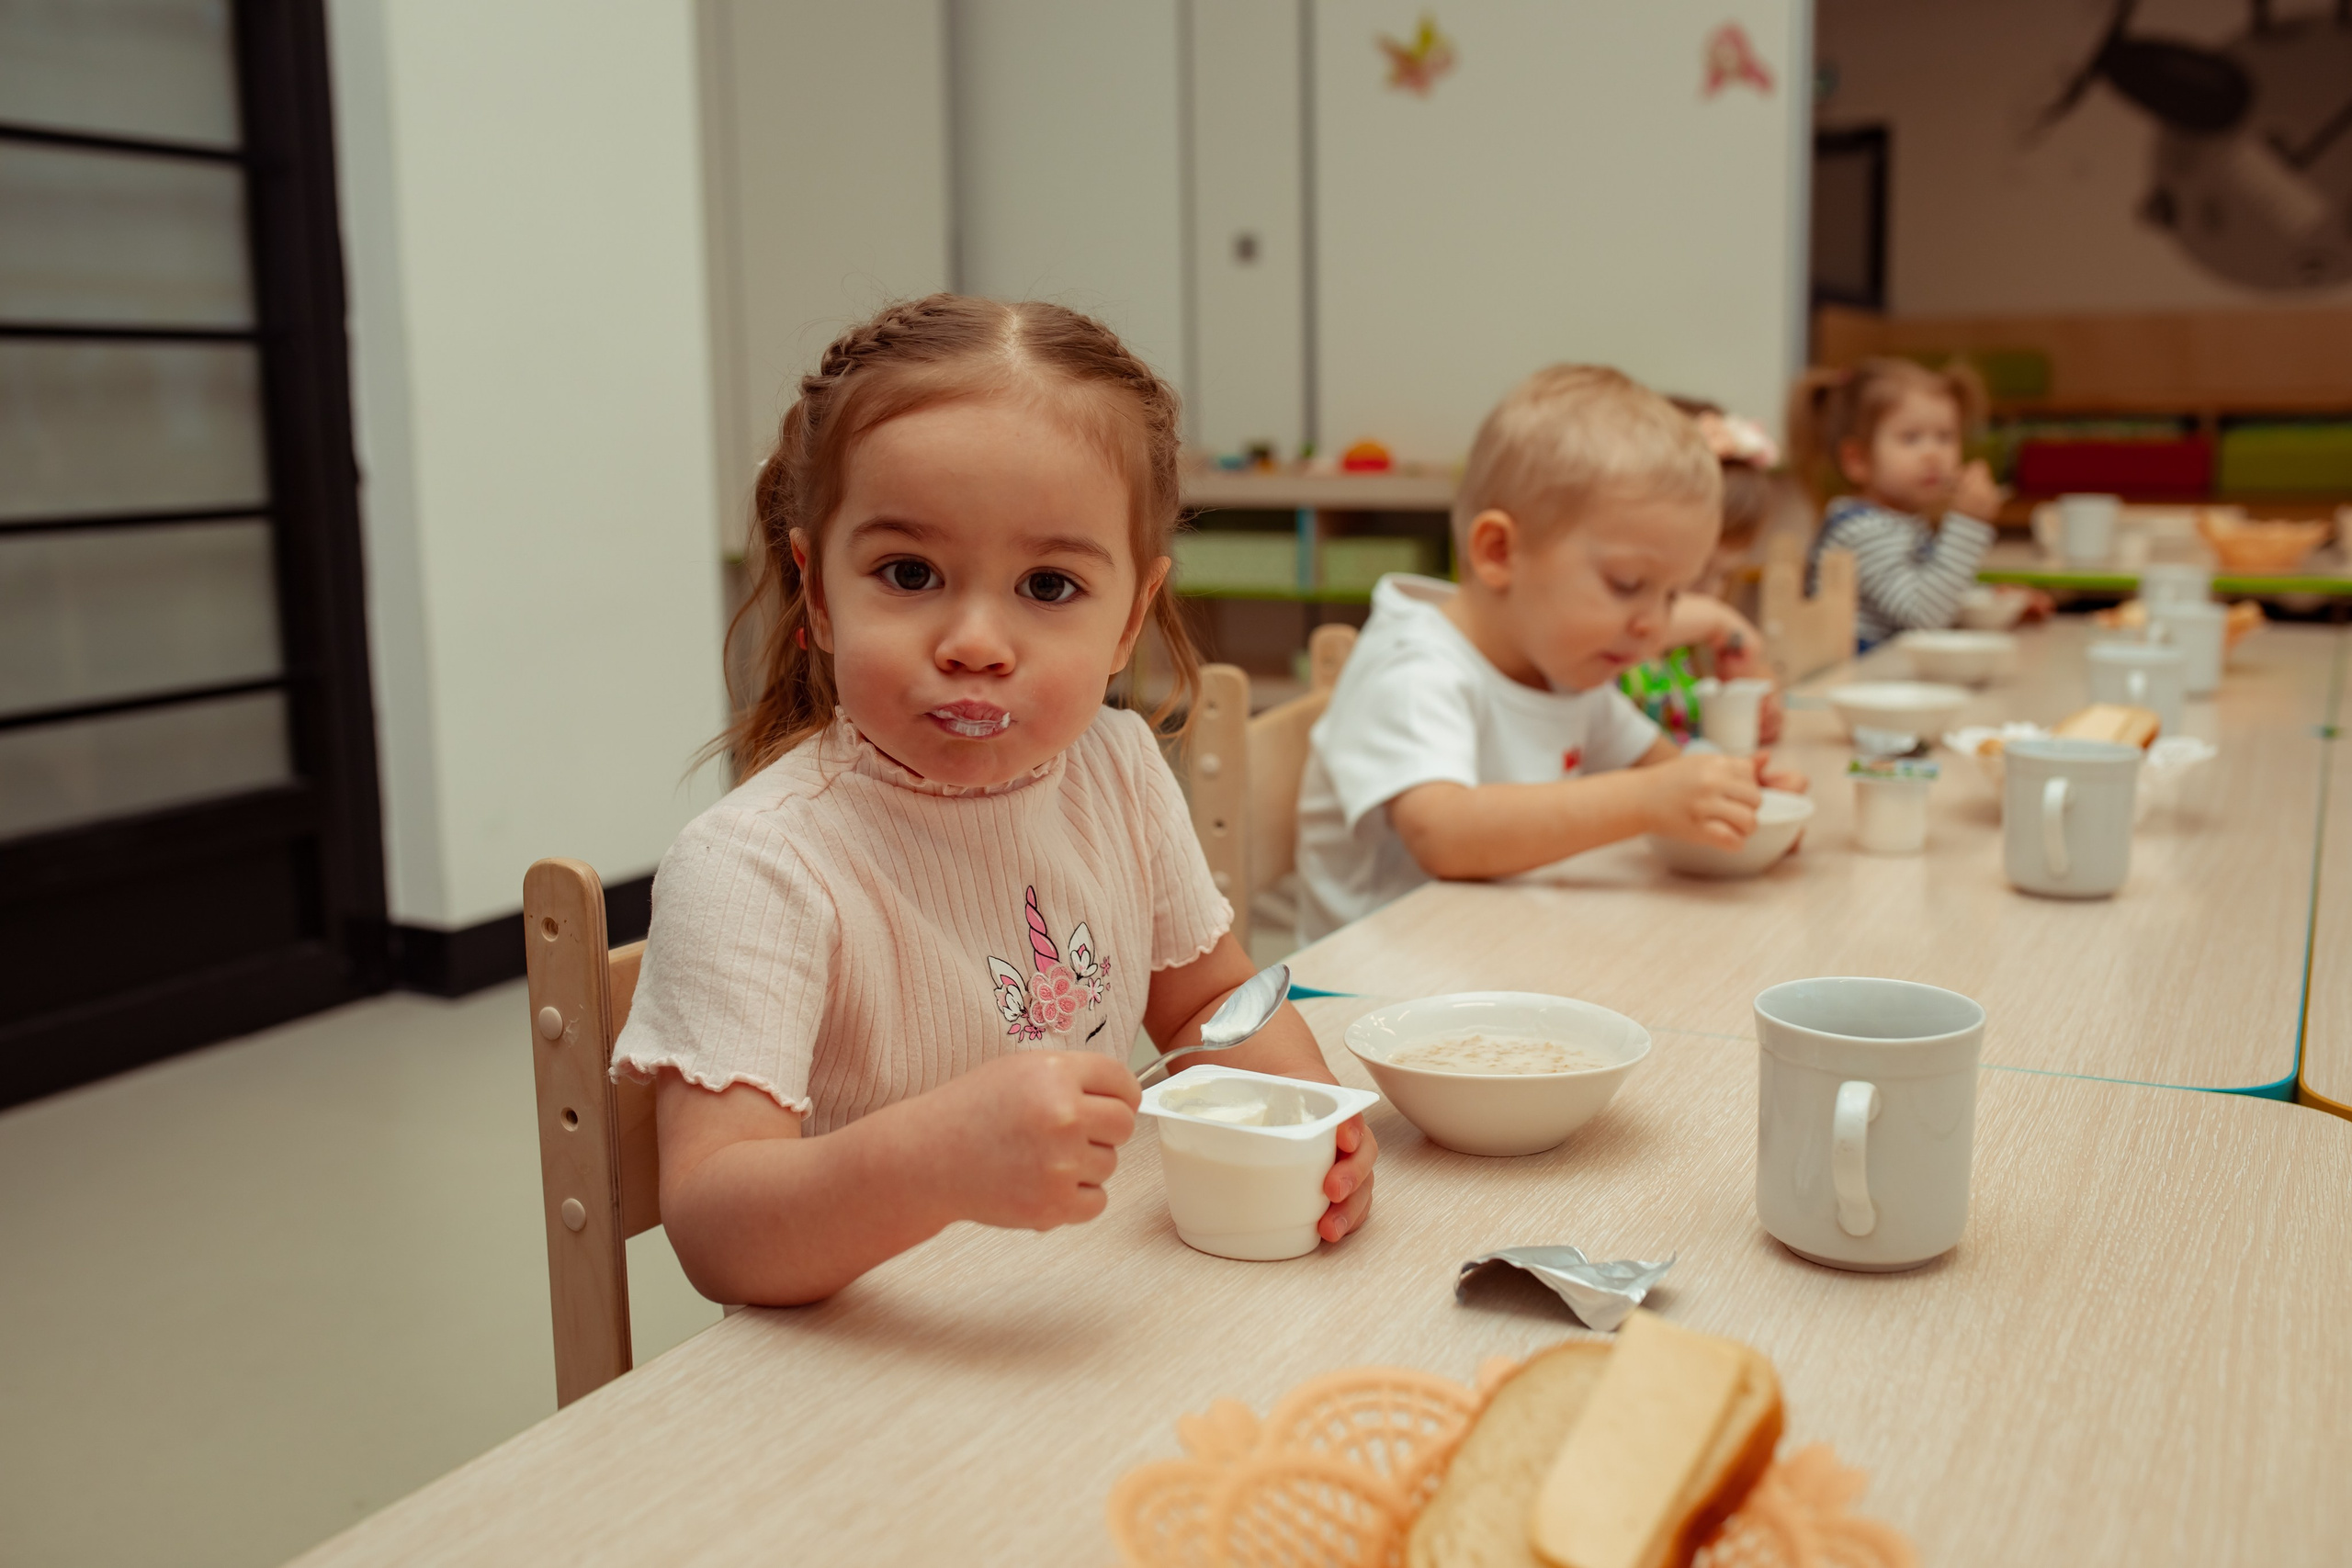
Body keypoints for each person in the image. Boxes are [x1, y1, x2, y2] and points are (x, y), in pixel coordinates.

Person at [613, 296, 1375, 1305]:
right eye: (909, 572)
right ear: (819, 592)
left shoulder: (1115, 767)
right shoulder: (757, 866)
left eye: (1048, 586)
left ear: (1129, 619)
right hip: (869, 1352)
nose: (975, 642)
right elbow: (718, 1228)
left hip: (1085, 1304)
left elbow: (1204, 1004)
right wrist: (935, 1161)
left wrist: (1313, 1120)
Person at [1293, 365, 1808, 942]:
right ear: (1499, 552)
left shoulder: (1562, 665)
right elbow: (1443, 835)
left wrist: (1736, 796)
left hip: (1496, 950)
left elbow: (1662, 769)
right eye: (1627, 584)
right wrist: (1647, 800)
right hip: (1371, 981)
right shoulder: (1414, 669)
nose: (1656, 625)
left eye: (1672, 595)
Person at [1787, 357, 2009, 650]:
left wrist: (1998, 601)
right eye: (1911, 438)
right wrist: (1969, 525)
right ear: (1858, 460)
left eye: (1945, 437)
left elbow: (1932, 586)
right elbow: (1925, 616)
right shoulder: (1862, 530)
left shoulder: (1898, 519)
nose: (1933, 455)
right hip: (1858, 671)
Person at [1618, 399, 1790, 746]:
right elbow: (1625, 630)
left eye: (1723, 575)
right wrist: (1717, 619)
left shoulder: (1695, 649)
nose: (1710, 593)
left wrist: (1753, 700)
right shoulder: (1605, 651)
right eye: (1695, 575)